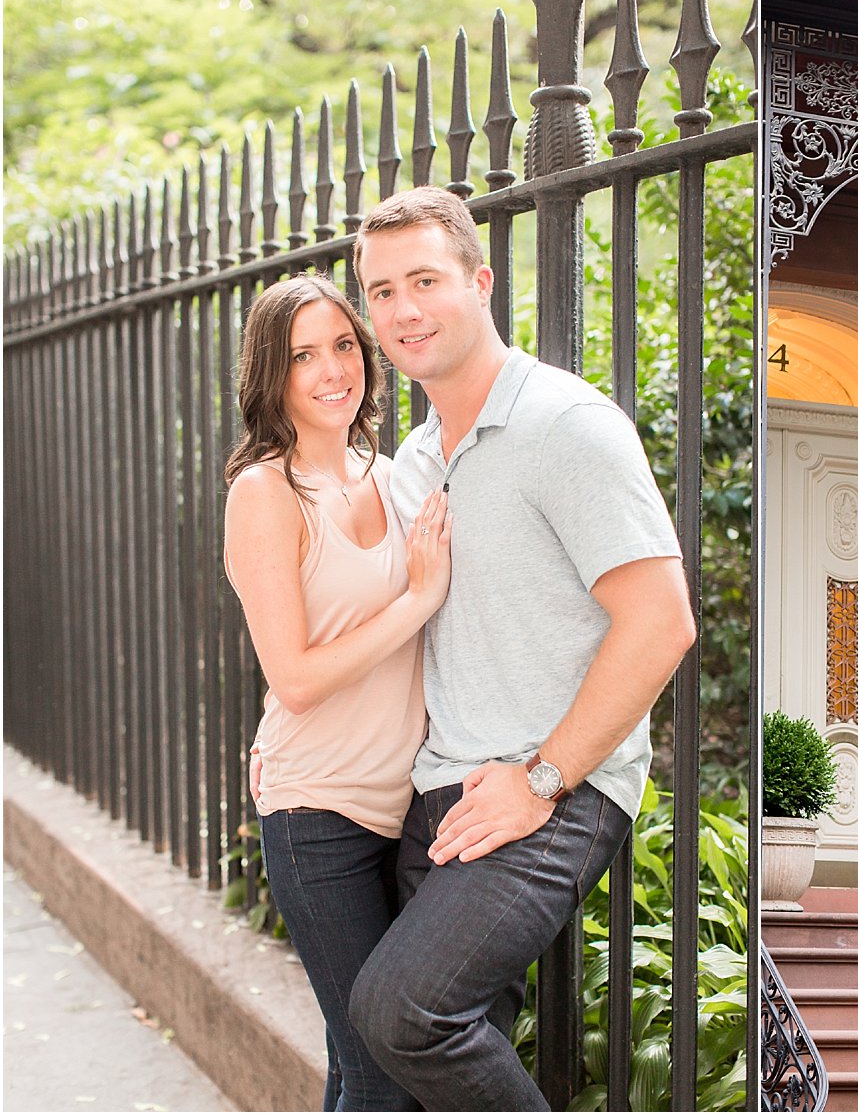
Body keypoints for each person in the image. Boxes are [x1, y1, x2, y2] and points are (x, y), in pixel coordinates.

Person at [345, 186, 695, 1111]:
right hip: (441, 788)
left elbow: (662, 620)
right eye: (382, 292)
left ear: (481, 281)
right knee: (432, 1054)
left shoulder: (566, 425)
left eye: (425, 279)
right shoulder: (416, 458)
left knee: (401, 1010)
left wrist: (542, 779)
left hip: (555, 788)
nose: (403, 309)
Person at [224, 273, 451, 1111]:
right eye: (303, 355)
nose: (331, 370)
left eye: (344, 345)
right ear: (271, 375)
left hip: (406, 810)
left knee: (360, 1066)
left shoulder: (392, 476)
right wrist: (415, 599)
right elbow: (295, 676)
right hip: (315, 811)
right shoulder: (265, 493)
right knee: (382, 1073)